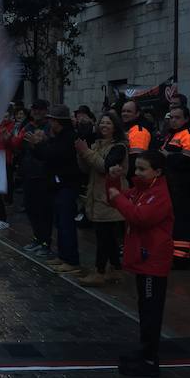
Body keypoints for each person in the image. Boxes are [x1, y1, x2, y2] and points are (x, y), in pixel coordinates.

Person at [107, 151, 174, 377]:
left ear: (157, 171)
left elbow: (139, 217)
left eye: (143, 169)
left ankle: (149, 358)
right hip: (143, 258)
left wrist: (118, 196)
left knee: (151, 310)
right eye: (136, 168)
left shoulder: (159, 194)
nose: (137, 173)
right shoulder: (142, 190)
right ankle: (145, 350)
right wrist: (114, 181)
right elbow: (117, 198)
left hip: (152, 261)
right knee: (145, 308)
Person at [75, 111, 128, 286]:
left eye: (108, 123)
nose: (104, 126)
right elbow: (86, 169)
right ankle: (116, 269)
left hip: (109, 197)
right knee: (108, 236)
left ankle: (99, 271)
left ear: (115, 127)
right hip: (97, 196)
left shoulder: (119, 147)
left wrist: (87, 152)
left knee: (104, 237)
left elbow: (104, 167)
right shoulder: (97, 145)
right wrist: (81, 153)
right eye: (102, 123)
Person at [34, 105, 83, 274]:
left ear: (58, 121)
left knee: (66, 223)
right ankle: (63, 256)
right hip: (57, 184)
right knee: (60, 222)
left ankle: (71, 260)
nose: (49, 123)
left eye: (52, 120)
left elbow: (53, 155)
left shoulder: (68, 137)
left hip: (66, 185)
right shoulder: (58, 136)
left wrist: (40, 145)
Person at [160, 105, 190, 268]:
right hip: (174, 184)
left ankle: (180, 259)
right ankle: (186, 255)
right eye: (171, 117)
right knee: (180, 221)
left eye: (177, 117)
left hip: (185, 185)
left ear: (186, 119)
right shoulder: (173, 135)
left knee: (182, 222)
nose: (173, 120)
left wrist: (167, 157)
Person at [18, 102, 53, 254]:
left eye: (40, 109)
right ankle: (37, 238)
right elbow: (21, 145)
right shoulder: (27, 126)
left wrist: (42, 142)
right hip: (28, 172)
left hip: (42, 174)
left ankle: (45, 242)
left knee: (43, 210)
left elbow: (49, 148)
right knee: (31, 208)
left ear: (45, 111)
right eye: (35, 109)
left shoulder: (49, 127)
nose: (37, 112)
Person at [121, 100, 152, 181]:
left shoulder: (139, 131)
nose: (125, 114)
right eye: (123, 111)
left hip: (132, 177)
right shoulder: (127, 128)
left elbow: (137, 159)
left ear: (137, 114)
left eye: (129, 111)